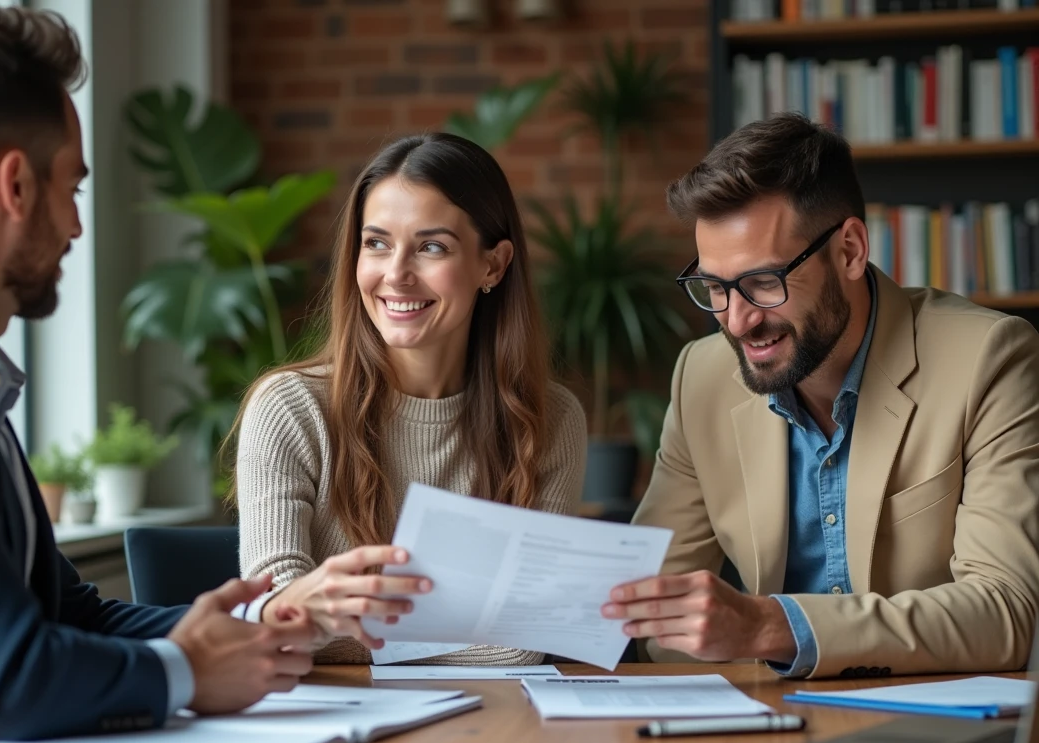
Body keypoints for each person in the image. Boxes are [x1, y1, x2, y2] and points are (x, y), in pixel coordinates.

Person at [0, 2, 312, 743]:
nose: (76, 229)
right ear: (16, 185)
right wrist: (187, 672)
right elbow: (7, 677)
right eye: (74, 189)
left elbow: (66, 616)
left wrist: (262, 624)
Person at [602, 113, 1039, 679]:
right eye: (714, 287)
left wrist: (768, 627)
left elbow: (1007, 612)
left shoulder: (989, 358)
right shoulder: (701, 377)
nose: (736, 322)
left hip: (931, 727)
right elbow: (648, 612)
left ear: (850, 250)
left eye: (763, 282)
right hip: (758, 720)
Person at [232, 132, 587, 664]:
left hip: (492, 728)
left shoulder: (551, 420)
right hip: (334, 726)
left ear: (493, 264)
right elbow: (280, 623)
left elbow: (521, 646)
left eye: (431, 247)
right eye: (375, 243)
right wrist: (468, 633)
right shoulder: (289, 410)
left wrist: (351, 629)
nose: (395, 274)